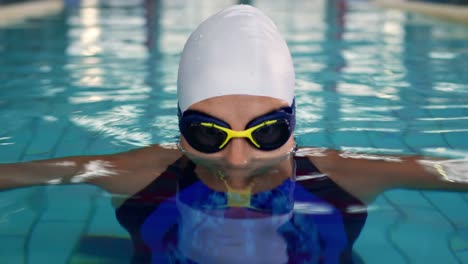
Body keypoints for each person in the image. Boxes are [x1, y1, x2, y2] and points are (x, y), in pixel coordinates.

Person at [0, 4, 467, 264]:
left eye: (267, 133)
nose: (238, 159)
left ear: (294, 122)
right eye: (207, 134)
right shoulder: (138, 173)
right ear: (178, 124)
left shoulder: (346, 175)